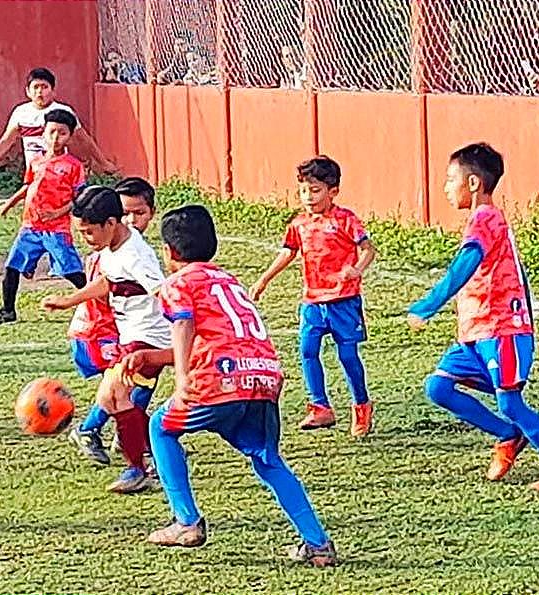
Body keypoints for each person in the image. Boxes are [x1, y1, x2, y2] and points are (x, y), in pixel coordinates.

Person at [120, 205, 336, 566]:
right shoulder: (229, 282)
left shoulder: (179, 283)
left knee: (160, 427)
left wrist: (182, 378)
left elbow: (184, 325)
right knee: (268, 460)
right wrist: (152, 358)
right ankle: (317, 543)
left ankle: (186, 522)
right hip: (263, 376)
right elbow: (218, 339)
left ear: (170, 252)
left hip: (219, 378)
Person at [407, 142, 539, 493]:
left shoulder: (487, 217)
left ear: (473, 183)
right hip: (476, 334)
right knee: (438, 387)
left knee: (510, 402)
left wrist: (429, 304)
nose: (445, 187)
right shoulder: (480, 220)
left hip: (503, 328)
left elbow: (466, 264)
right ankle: (508, 435)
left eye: (450, 179)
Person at [41, 186, 171, 494]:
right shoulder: (112, 249)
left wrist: (190, 332)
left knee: (113, 396)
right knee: (116, 400)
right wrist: (69, 301)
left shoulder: (136, 256)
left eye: (88, 232)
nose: (85, 238)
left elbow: (163, 292)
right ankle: (143, 464)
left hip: (149, 338)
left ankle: (142, 466)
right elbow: (109, 281)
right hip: (132, 336)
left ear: (111, 223)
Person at [250, 156, 376, 435]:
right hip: (312, 301)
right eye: (303, 190)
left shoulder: (345, 220)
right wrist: (264, 280)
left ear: (333, 191)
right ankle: (320, 407)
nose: (308, 197)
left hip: (343, 301)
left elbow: (368, 248)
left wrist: (356, 269)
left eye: (315, 190)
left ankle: (361, 405)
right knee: (307, 351)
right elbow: (288, 251)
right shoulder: (299, 224)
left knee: (347, 355)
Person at [68, 177, 158, 466]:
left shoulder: (129, 248)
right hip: (101, 332)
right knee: (121, 389)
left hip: (138, 331)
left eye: (138, 213)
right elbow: (108, 290)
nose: (132, 219)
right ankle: (96, 433)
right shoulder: (107, 251)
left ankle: (130, 445)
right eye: (127, 212)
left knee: (137, 385)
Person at [0, 109, 86, 325]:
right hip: (30, 226)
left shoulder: (73, 166)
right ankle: (8, 310)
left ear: (70, 136)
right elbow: (29, 186)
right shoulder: (37, 161)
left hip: (56, 229)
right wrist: (9, 203)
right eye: (52, 132)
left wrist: (57, 213)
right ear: (43, 134)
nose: (56, 138)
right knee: (12, 267)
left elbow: (80, 197)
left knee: (71, 270)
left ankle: (99, 301)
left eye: (62, 133)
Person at [0, 67, 116, 175]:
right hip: (34, 172)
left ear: (53, 91)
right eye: (36, 87)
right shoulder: (20, 113)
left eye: (44, 87)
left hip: (60, 171)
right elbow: (6, 140)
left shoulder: (63, 111)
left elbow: (83, 139)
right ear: (28, 91)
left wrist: (103, 163)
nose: (40, 92)